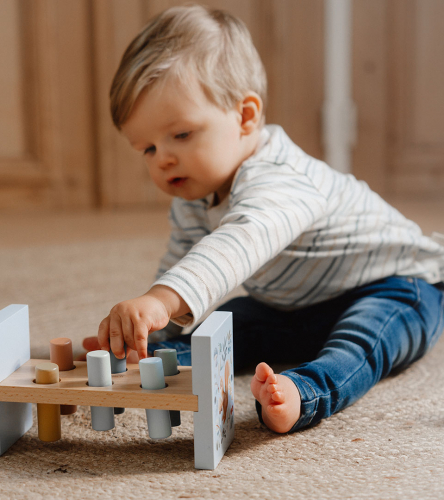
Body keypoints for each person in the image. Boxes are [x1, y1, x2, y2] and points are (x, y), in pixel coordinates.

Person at [83, 5, 444, 433]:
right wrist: (149, 328)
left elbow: (237, 244)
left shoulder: (279, 179)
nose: (164, 159)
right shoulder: (193, 193)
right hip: (299, 305)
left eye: (180, 135)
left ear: (245, 116)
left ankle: (303, 392)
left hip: (400, 288)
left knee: (364, 340)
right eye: (147, 149)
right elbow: (184, 262)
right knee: (233, 322)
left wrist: (159, 301)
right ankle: (153, 361)